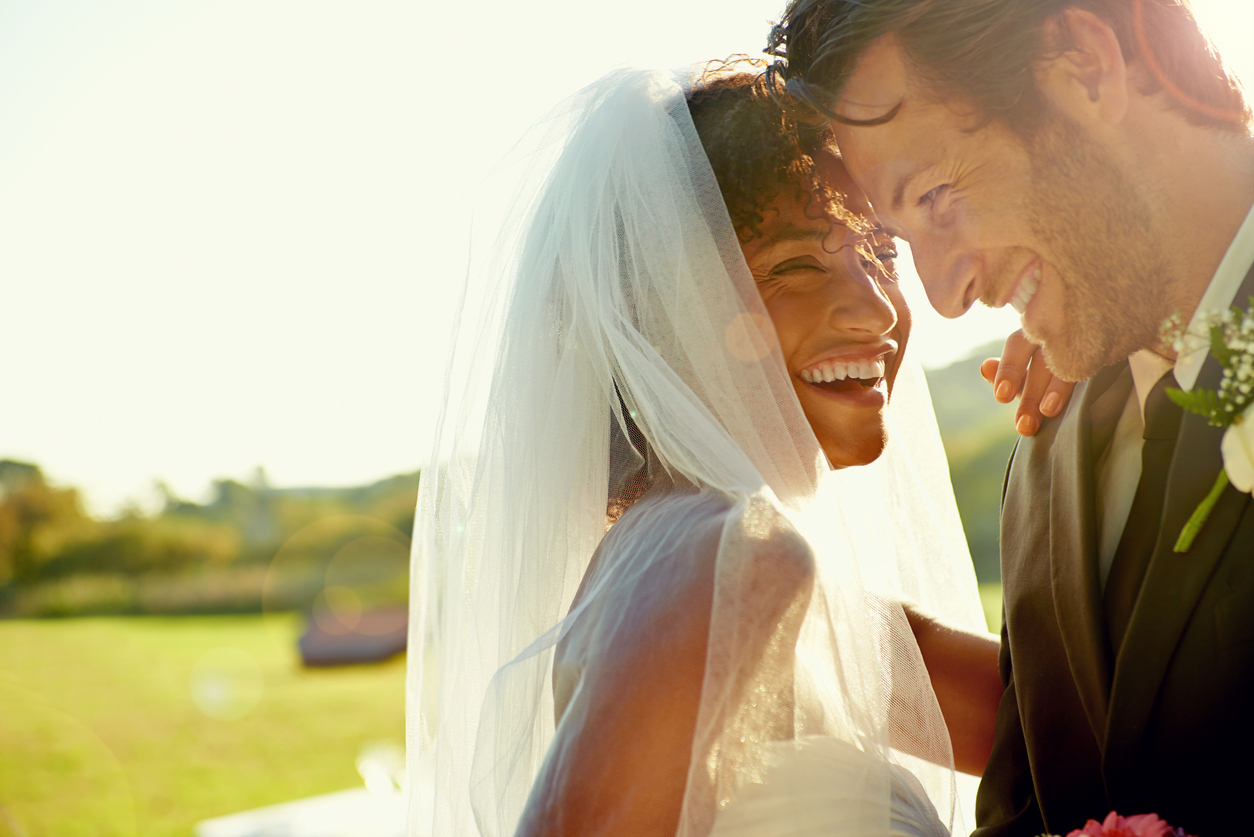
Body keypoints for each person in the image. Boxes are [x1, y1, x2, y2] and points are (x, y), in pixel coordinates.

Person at [405, 64, 1020, 836]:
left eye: (879, 257)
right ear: (669, 313)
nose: (875, 309)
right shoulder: (733, 559)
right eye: (795, 265)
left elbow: (1072, 731)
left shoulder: (768, 584)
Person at [771, 2, 1254, 835]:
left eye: (937, 195)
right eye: (897, 237)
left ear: (1083, 67)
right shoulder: (1044, 455)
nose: (948, 296)